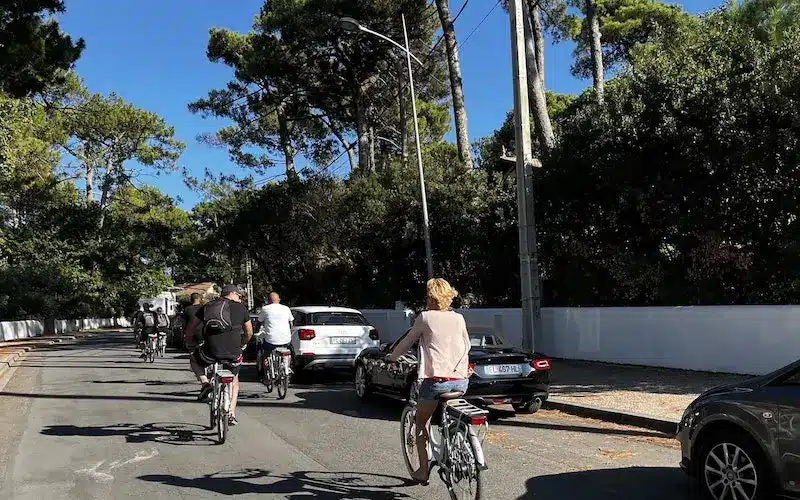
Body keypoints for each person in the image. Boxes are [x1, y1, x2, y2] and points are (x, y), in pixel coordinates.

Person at [386, 278, 470, 485]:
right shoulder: (458, 318)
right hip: (461, 381)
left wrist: (392, 357)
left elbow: (407, 342)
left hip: (435, 382)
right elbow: (467, 345)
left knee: (421, 423)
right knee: (447, 416)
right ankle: (454, 447)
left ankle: (423, 471)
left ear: (431, 298)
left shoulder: (424, 317)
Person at [184, 285, 253, 426]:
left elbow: (191, 328)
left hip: (210, 351)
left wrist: (190, 343)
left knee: (194, 359)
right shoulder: (241, 308)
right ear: (232, 294)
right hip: (233, 352)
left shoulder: (208, 306)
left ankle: (205, 384)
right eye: (239, 296)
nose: (239, 299)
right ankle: (231, 413)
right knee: (234, 380)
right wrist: (243, 343)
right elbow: (249, 332)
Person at [256, 292, 294, 361]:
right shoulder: (286, 308)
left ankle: (266, 363)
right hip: (286, 340)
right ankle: (290, 362)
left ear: (268, 300)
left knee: (265, 349)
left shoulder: (265, 309)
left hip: (270, 340)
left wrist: (256, 331)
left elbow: (259, 322)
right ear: (279, 300)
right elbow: (291, 323)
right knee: (290, 349)